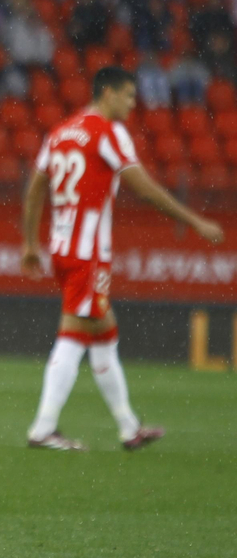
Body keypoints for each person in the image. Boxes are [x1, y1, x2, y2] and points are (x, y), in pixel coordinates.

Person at [20, 66, 224, 451]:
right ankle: (43, 427)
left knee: (104, 334)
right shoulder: (107, 132)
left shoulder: (60, 132)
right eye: (128, 96)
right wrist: (195, 221)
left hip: (62, 247)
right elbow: (143, 188)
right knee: (73, 334)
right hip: (88, 253)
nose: (133, 104)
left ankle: (129, 427)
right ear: (108, 93)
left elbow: (34, 189)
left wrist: (30, 243)